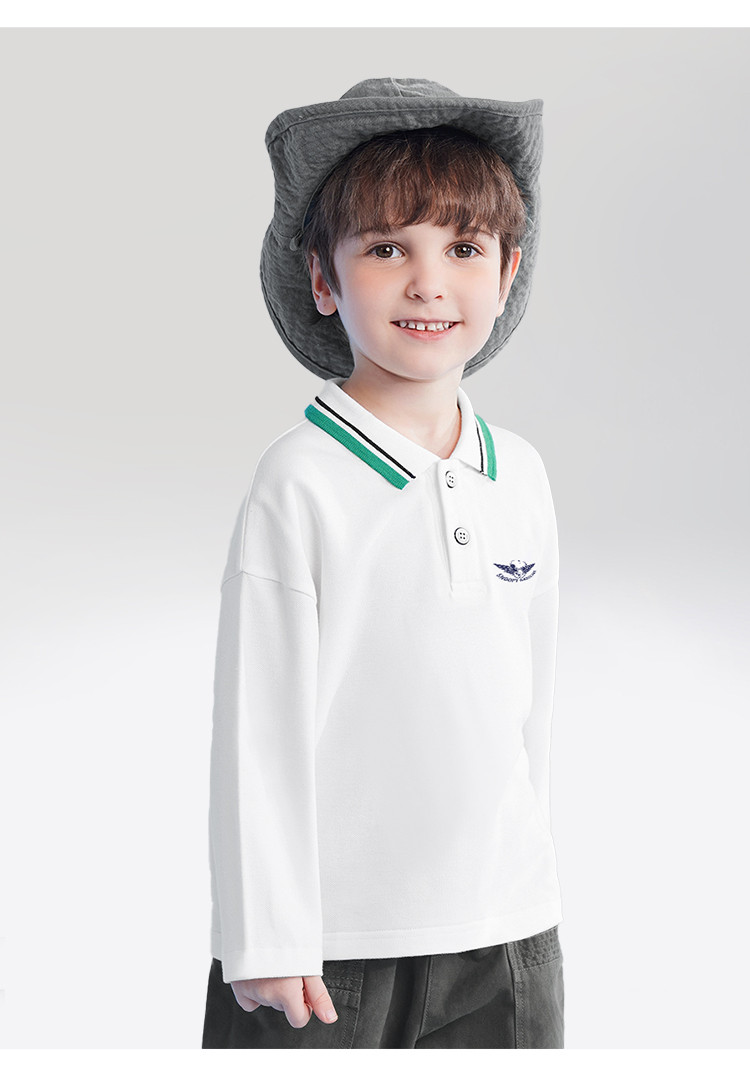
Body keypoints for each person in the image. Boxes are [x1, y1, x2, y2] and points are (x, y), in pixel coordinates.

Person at [202, 77, 565, 1049]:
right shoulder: (300, 481)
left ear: (508, 271)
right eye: (387, 248)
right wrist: (266, 934)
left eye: (463, 248)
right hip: (331, 950)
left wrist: (530, 881)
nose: (428, 282)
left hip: (508, 937)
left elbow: (530, 710)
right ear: (323, 279)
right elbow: (258, 723)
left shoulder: (521, 474)